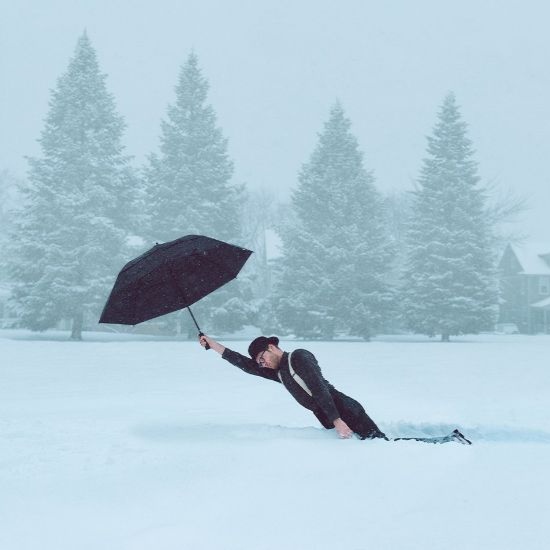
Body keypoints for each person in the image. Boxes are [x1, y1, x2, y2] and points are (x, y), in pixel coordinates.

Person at [199, 333, 387, 439]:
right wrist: (213, 345)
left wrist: (337, 420)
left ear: (271, 347)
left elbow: (318, 388)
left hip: (344, 410)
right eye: (260, 363)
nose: (262, 364)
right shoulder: (280, 372)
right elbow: (246, 365)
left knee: (378, 445)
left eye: (262, 359)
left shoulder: (299, 356)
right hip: (328, 415)